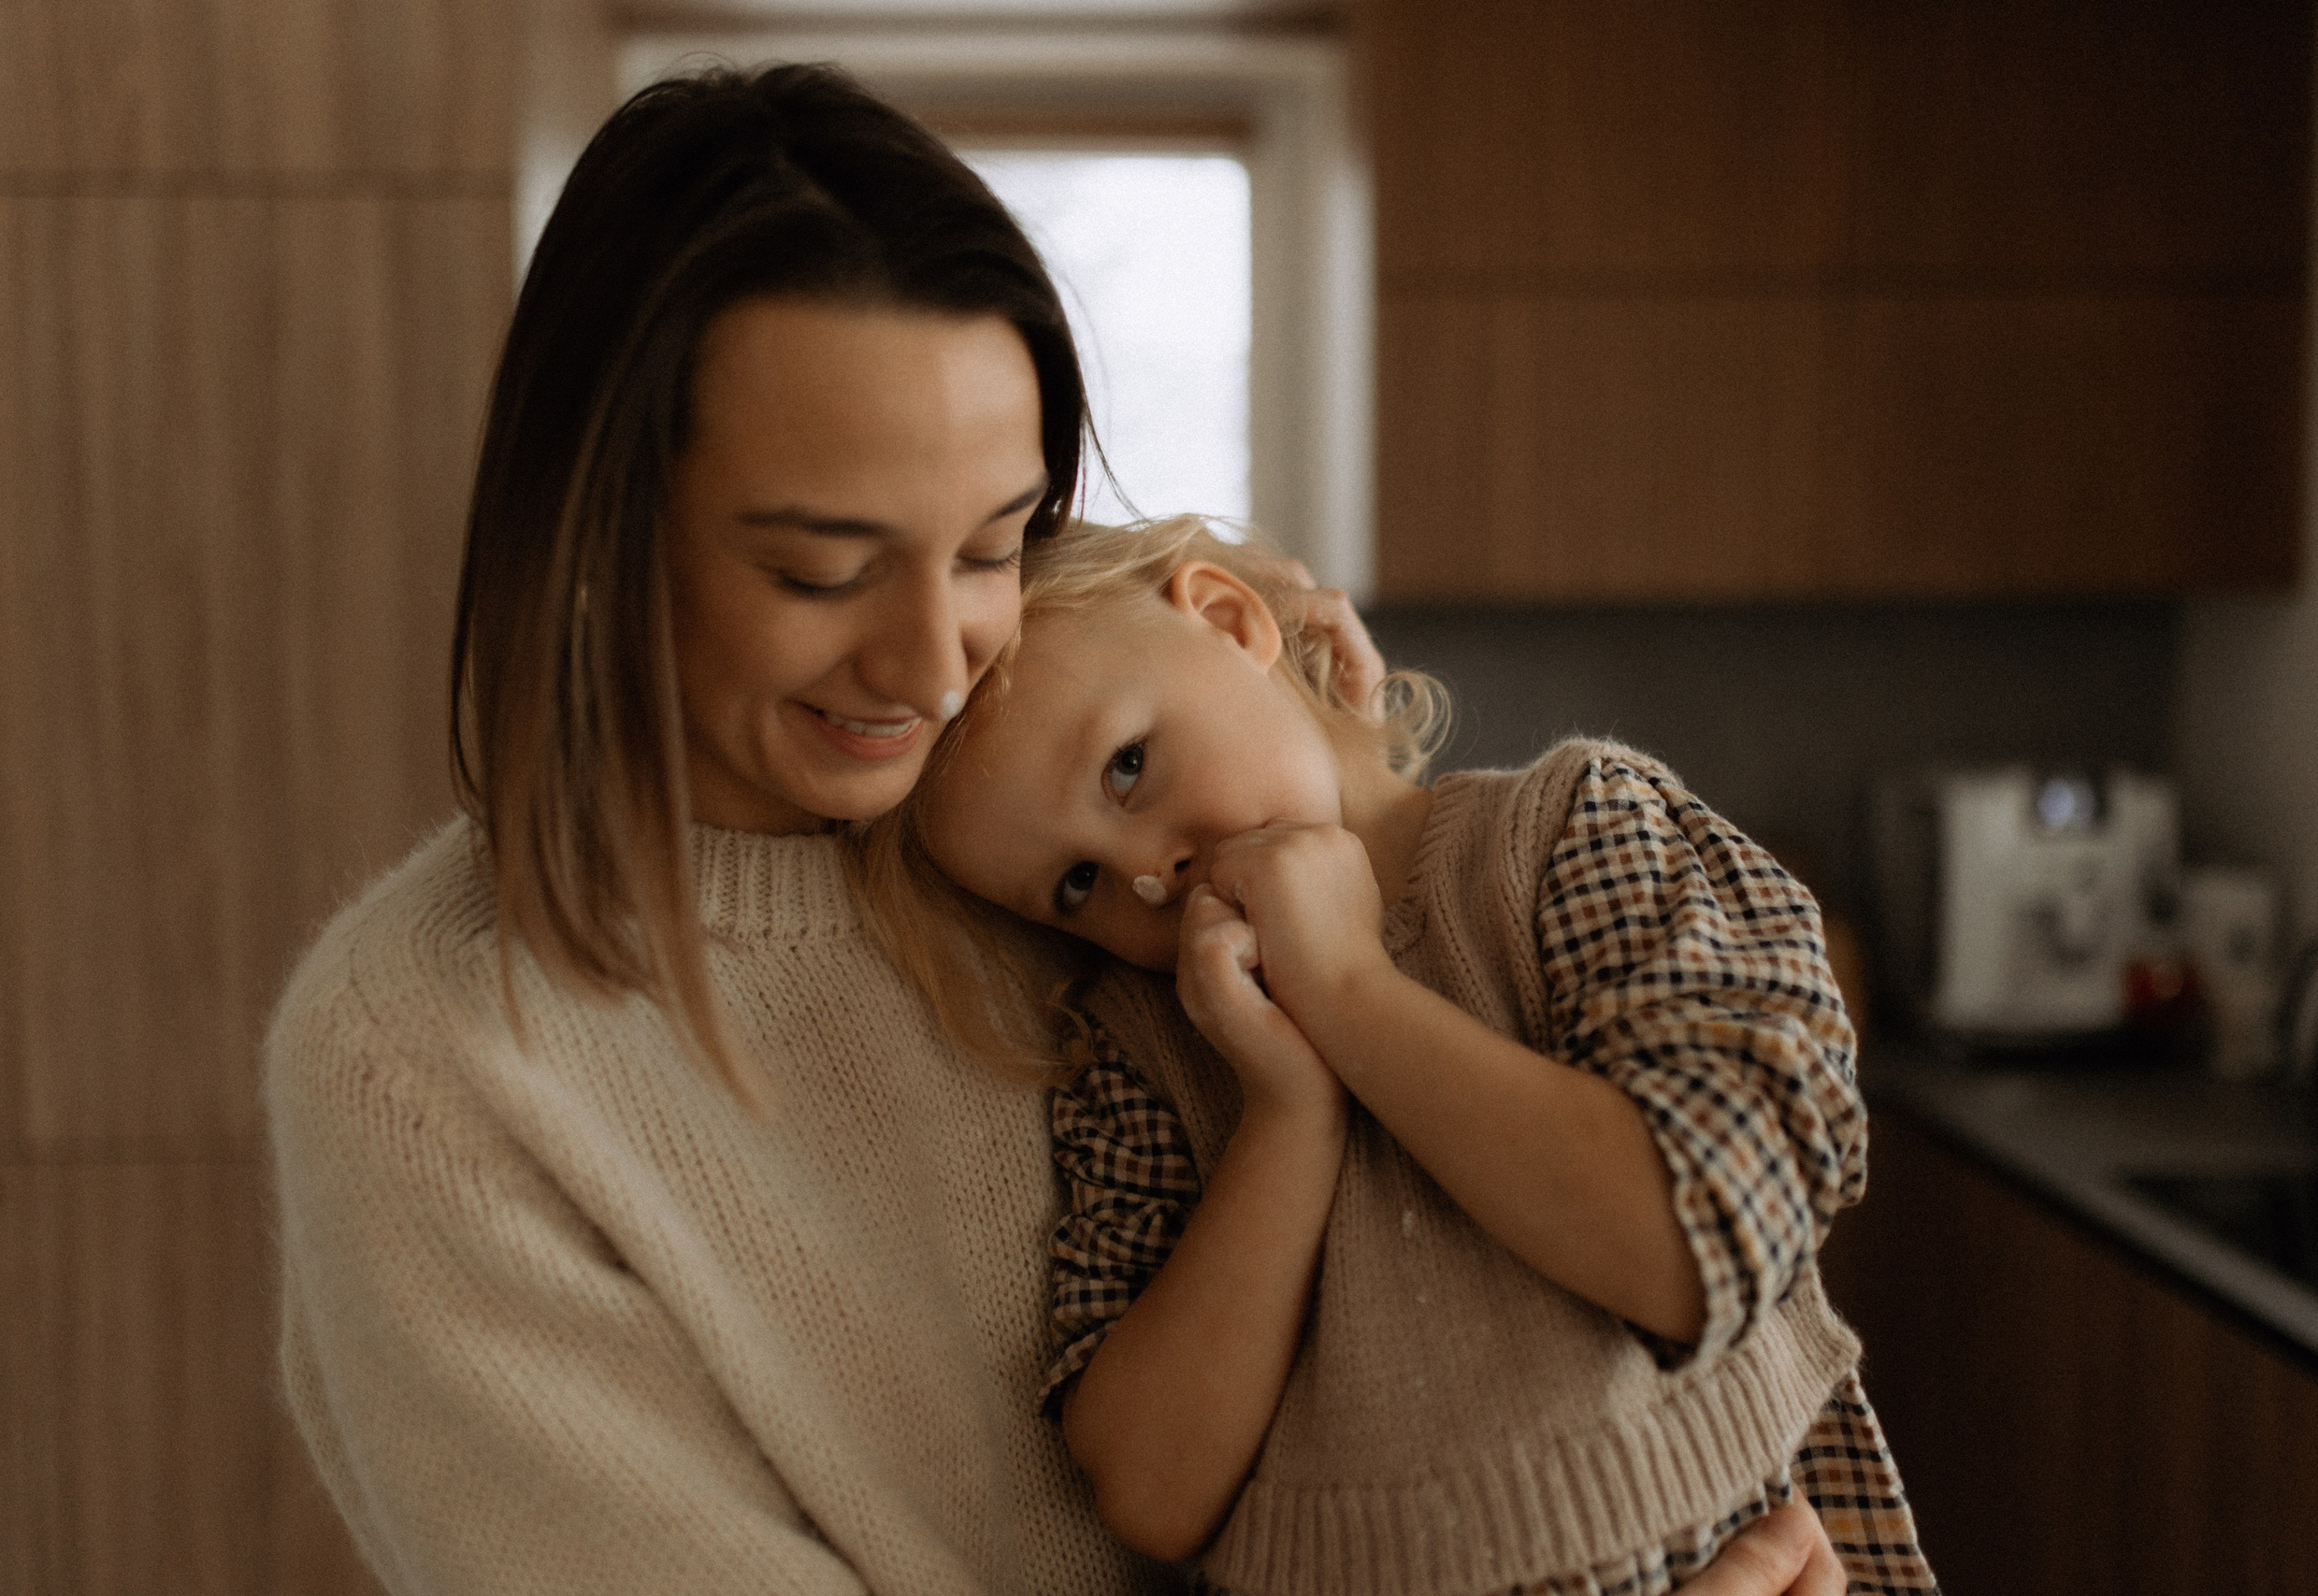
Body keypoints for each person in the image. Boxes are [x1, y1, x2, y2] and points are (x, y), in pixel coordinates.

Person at [264, 61, 1862, 1595]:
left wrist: (1285, 684)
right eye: (822, 572)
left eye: (991, 543)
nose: (933, 664)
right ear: (601, 537)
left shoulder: (1053, 838)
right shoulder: (430, 1060)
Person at [864, 517, 1936, 1593]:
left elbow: (1692, 1241)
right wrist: (1289, 1111)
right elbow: (1151, 1492)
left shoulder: (1571, 833)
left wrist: (1348, 996)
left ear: (1233, 623)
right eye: (1075, 886)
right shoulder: (1143, 1048)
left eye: (1128, 766)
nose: (1149, 877)